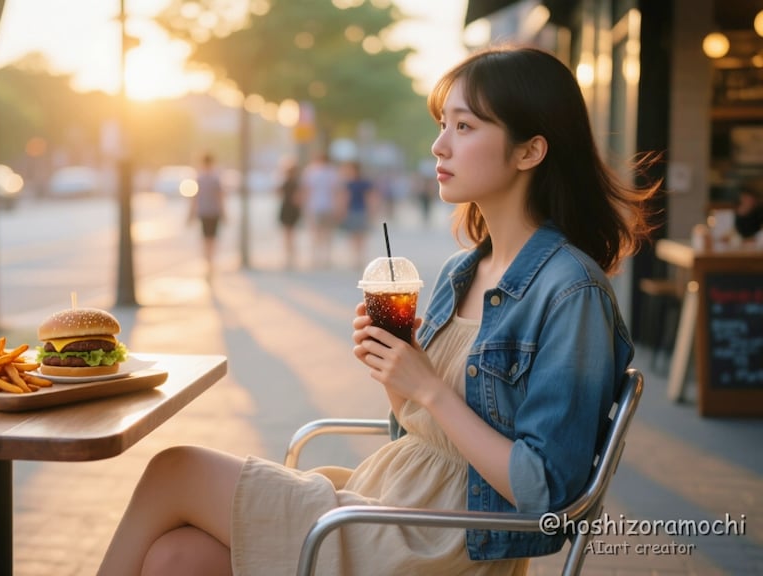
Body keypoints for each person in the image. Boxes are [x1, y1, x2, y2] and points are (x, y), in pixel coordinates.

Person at [96, 45, 657, 576]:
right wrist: (395, 372)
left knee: (177, 469)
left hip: (437, 539)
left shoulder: (570, 292)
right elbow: (420, 430)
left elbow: (550, 494)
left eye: (464, 127)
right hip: (393, 501)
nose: (440, 146)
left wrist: (429, 386)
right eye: (444, 125)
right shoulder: (466, 271)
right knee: (177, 558)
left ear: (530, 150)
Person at [300, 151, 342, 268]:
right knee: (327, 233)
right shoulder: (332, 172)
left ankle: (315, 257)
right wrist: (338, 207)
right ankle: (326, 258)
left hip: (313, 206)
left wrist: (304, 206)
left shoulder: (310, 171)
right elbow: (336, 191)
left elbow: (306, 190)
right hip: (329, 206)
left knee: (315, 233)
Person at [189, 152, 226, 277]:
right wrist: (224, 213)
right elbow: (220, 197)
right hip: (214, 211)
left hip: (204, 212)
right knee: (213, 238)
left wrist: (191, 214)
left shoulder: (199, 178)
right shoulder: (216, 178)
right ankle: (210, 261)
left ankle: (207, 261)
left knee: (205, 238)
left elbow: (194, 198)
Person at [338, 160, 377, 269]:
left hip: (358, 210)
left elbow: (369, 197)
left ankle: (358, 258)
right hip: (356, 210)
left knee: (358, 235)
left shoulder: (353, 183)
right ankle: (357, 258)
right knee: (357, 235)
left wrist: (342, 210)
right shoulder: (357, 182)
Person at [276, 161, 303, 269]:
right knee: (291, 234)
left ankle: (289, 256)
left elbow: (278, 193)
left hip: (287, 208)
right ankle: (291, 256)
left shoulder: (287, 182)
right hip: (292, 209)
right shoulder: (296, 183)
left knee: (288, 234)